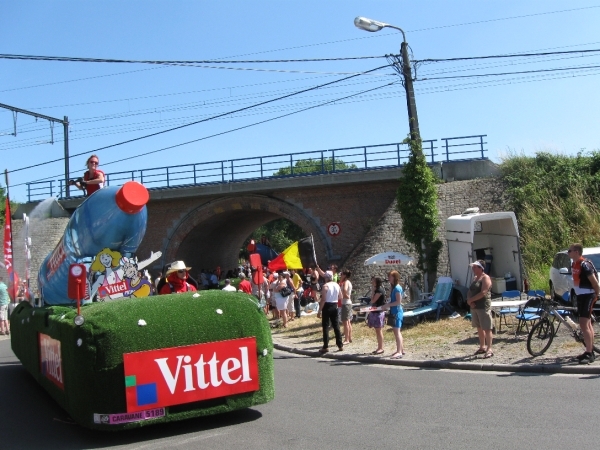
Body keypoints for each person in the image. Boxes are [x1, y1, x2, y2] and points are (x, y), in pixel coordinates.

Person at [569, 243, 600, 364]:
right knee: (587, 324)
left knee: (583, 323)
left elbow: (594, 282)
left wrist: (596, 295)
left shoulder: (585, 264)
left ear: (576, 252)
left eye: (569, 251)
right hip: (581, 296)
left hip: (588, 295)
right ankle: (589, 350)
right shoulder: (574, 264)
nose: (568, 253)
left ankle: (590, 353)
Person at [467, 260, 493, 358]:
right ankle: (482, 346)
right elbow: (470, 290)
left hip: (483, 306)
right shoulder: (475, 278)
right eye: (473, 267)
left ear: (481, 268)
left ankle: (489, 348)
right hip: (474, 306)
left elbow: (483, 292)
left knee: (487, 327)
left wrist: (471, 300)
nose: (473, 269)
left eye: (475, 267)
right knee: (479, 327)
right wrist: (469, 301)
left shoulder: (485, 278)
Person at [317, 270, 343, 353]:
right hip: (334, 305)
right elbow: (340, 296)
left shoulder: (325, 286)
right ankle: (340, 344)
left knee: (325, 326)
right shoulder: (337, 285)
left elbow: (323, 299)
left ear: (326, 278)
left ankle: (325, 346)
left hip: (327, 306)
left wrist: (319, 310)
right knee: (336, 325)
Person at [382, 270, 405, 359]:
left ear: (394, 277)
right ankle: (401, 350)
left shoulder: (397, 288)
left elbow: (398, 302)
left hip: (397, 312)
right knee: (396, 332)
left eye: (390, 276)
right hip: (394, 311)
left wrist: (388, 305)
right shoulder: (393, 288)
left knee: (397, 331)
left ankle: (399, 352)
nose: (388, 278)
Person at [367, 277, 387, 354]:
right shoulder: (377, 290)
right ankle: (379, 347)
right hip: (376, 312)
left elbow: (373, 300)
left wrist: (372, 291)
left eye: (373, 281)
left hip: (378, 312)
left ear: (377, 282)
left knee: (379, 331)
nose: (372, 282)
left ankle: (381, 348)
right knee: (377, 330)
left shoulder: (379, 291)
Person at [339, 269, 353, 345]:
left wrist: (345, 296)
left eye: (342, 274)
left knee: (345, 322)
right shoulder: (347, 282)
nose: (341, 276)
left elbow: (344, 290)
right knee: (348, 321)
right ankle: (349, 337)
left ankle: (346, 339)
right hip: (347, 303)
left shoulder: (346, 282)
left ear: (344, 275)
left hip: (346, 303)